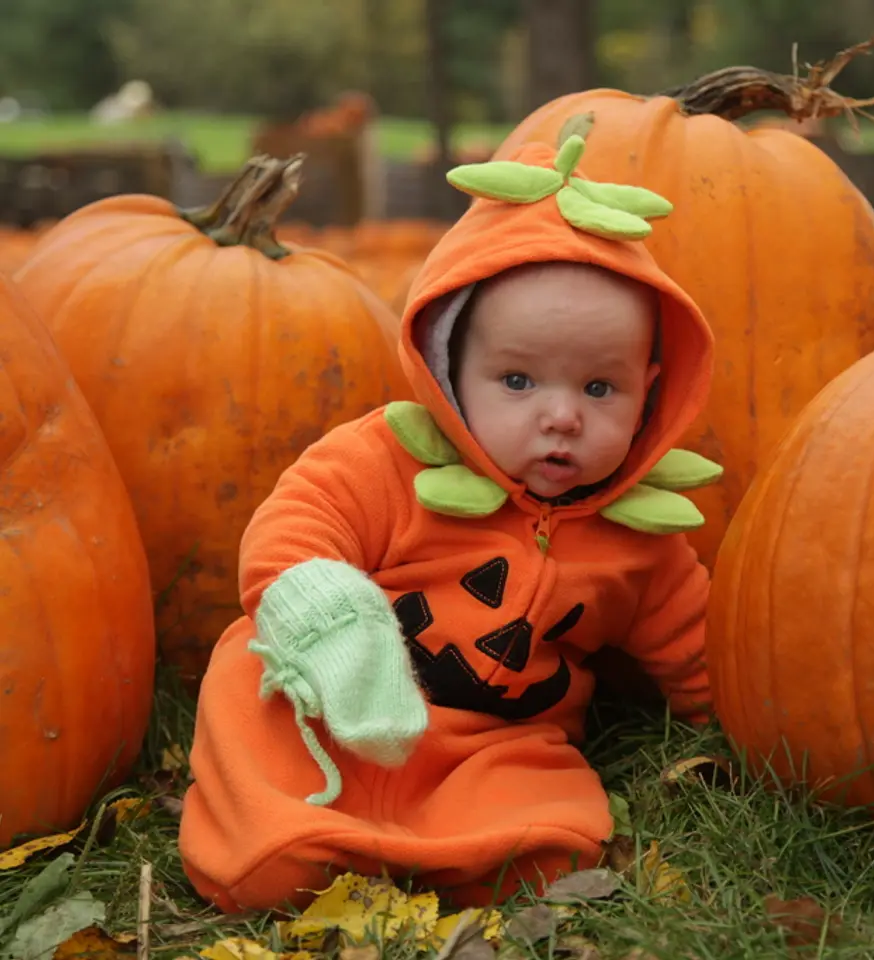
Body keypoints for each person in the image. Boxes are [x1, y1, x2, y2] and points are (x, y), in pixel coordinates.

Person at [177, 127, 722, 913]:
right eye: (517, 380)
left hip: (491, 738)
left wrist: (746, 726)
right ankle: (280, 844)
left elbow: (696, 652)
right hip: (327, 695)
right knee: (265, 759)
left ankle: (481, 852)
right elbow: (297, 524)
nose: (561, 417)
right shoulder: (387, 462)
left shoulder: (645, 544)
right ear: (448, 370)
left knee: (548, 833)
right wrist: (327, 612)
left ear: (653, 388)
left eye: (600, 389)